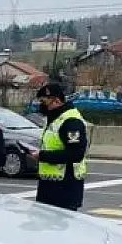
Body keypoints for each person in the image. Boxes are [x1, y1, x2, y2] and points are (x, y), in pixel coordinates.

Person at [28, 83, 89, 211]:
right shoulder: (54, 119)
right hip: (49, 188)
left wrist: (42, 156)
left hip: (64, 189)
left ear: (56, 100)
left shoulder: (71, 121)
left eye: (44, 102)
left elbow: (76, 154)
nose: (41, 105)